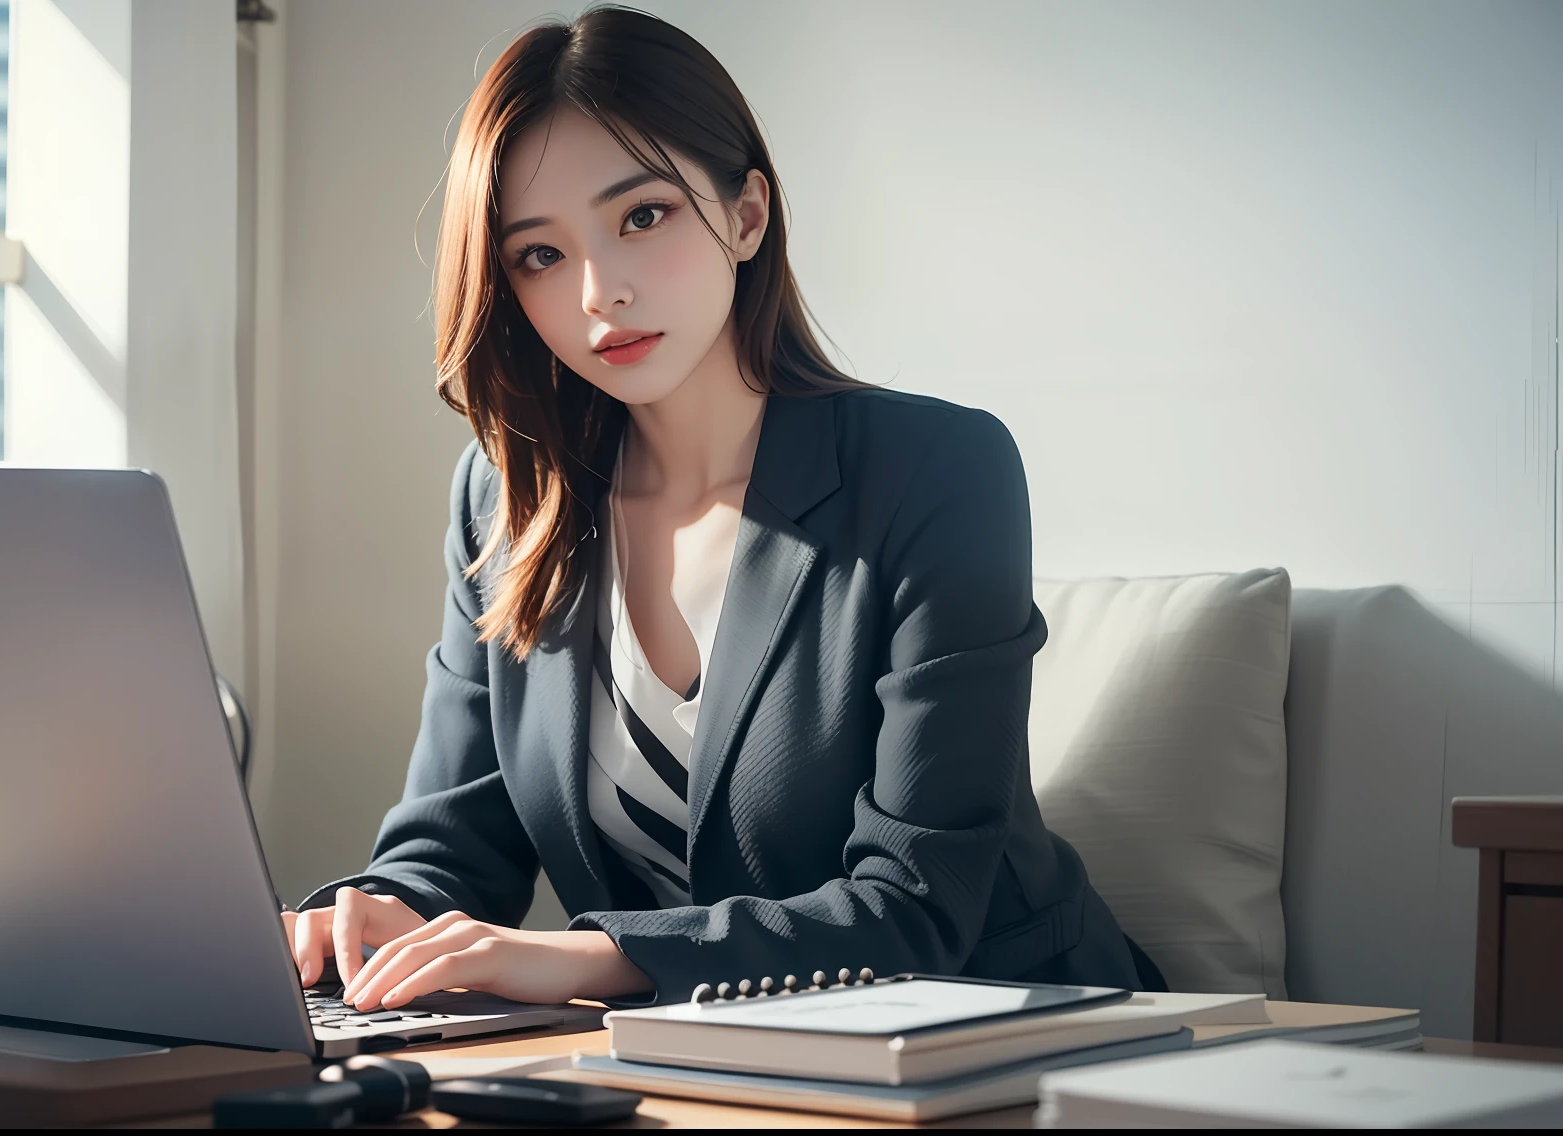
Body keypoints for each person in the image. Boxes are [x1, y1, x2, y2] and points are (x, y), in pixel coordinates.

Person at [283, 6, 1157, 1011]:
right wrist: (350, 923)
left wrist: (585, 959)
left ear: (745, 215)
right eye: (539, 255)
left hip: (1004, 1029)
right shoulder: (508, 497)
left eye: (641, 216)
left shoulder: (938, 469)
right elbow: (449, 850)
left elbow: (914, 908)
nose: (598, 292)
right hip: (691, 1054)